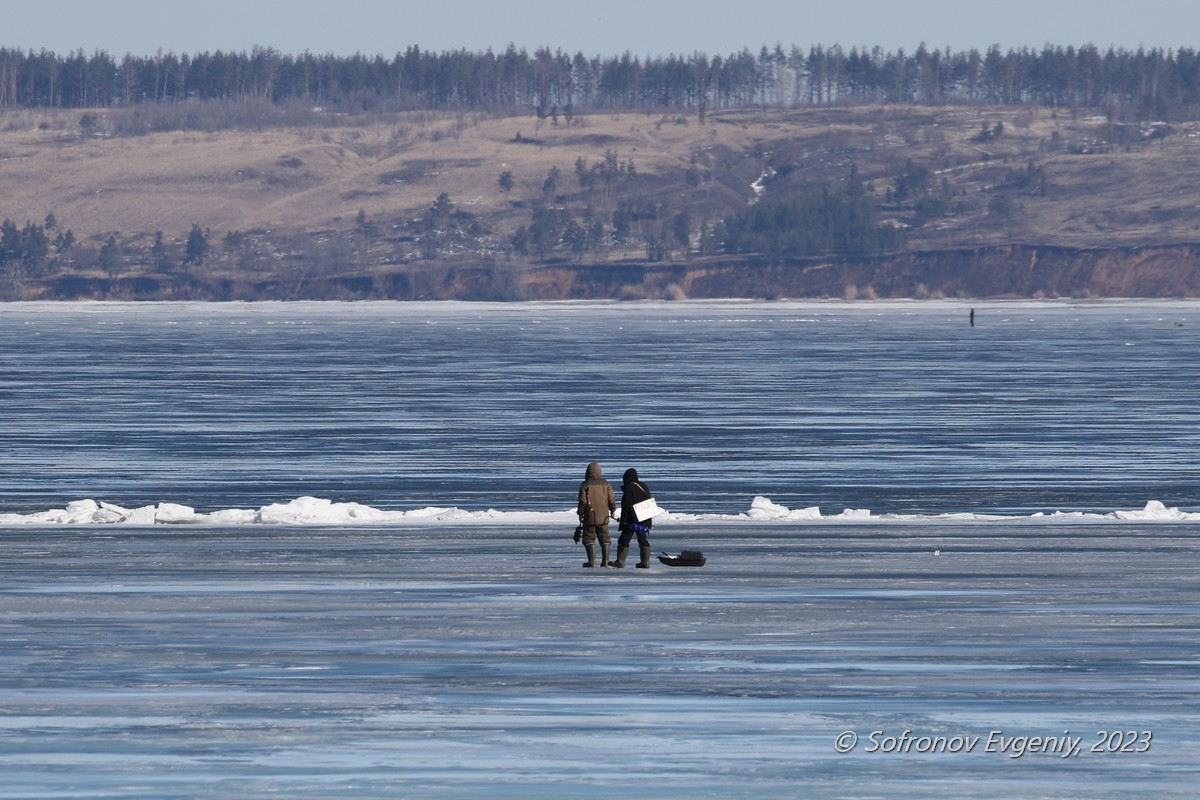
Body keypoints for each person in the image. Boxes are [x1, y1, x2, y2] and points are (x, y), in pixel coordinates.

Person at [612, 467, 654, 569]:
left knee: (624, 540)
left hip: (632, 520)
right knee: (642, 539)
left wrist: (623, 521)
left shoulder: (629, 488)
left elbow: (626, 506)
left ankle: (620, 561)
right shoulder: (643, 486)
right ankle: (645, 562)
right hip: (645, 517)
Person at [576, 461, 616, 568]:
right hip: (603, 517)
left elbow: (583, 501)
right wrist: (613, 509)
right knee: (605, 538)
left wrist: (580, 513)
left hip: (590, 516)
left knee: (589, 537)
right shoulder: (606, 483)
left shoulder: (585, 484)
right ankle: (605, 562)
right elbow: (611, 498)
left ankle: (591, 562)